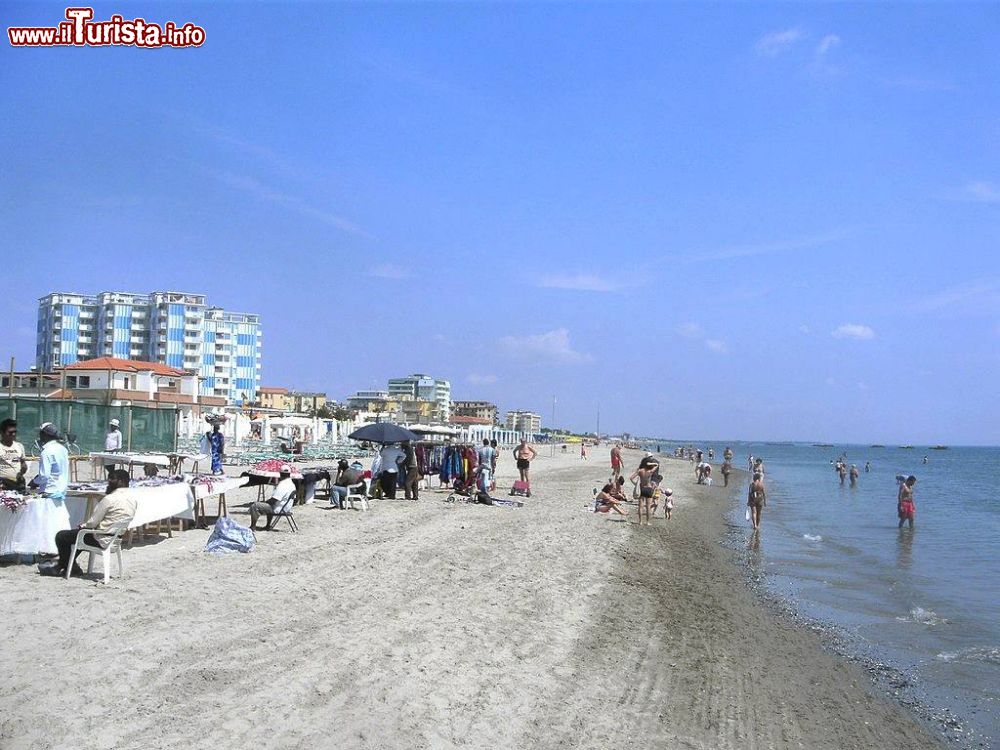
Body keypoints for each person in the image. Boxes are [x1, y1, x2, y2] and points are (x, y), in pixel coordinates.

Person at [48, 469, 136, 577]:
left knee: (62, 536)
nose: (109, 481)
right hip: (115, 539)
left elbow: (93, 523)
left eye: (112, 479)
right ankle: (66, 565)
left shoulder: (110, 499)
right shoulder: (133, 500)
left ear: (121, 481)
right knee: (77, 536)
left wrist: (84, 525)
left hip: (100, 538)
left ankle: (67, 566)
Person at [249, 465, 296, 530]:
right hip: (287, 507)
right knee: (268, 505)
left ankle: (252, 526)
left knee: (255, 505)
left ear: (280, 474)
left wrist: (264, 502)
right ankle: (268, 525)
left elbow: (274, 500)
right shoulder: (291, 484)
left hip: (279, 508)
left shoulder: (283, 484)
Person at [30, 423, 69, 499]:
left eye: (41, 433)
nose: (39, 435)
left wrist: (34, 482)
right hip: (61, 491)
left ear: (45, 435)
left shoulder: (46, 452)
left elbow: (44, 476)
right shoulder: (63, 449)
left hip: (49, 492)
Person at [0, 418, 27, 491]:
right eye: (10, 432)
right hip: (3, 486)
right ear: (2, 433)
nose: (13, 434)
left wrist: (22, 471)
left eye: (15, 432)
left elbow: (23, 463)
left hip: (17, 484)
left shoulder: (19, 446)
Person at [630, 459, 658, 526]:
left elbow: (631, 478)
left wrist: (635, 484)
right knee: (648, 507)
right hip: (649, 489)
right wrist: (650, 464)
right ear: (648, 464)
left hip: (642, 489)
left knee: (640, 506)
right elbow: (657, 464)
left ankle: (640, 522)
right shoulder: (650, 471)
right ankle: (648, 522)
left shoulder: (640, 470)